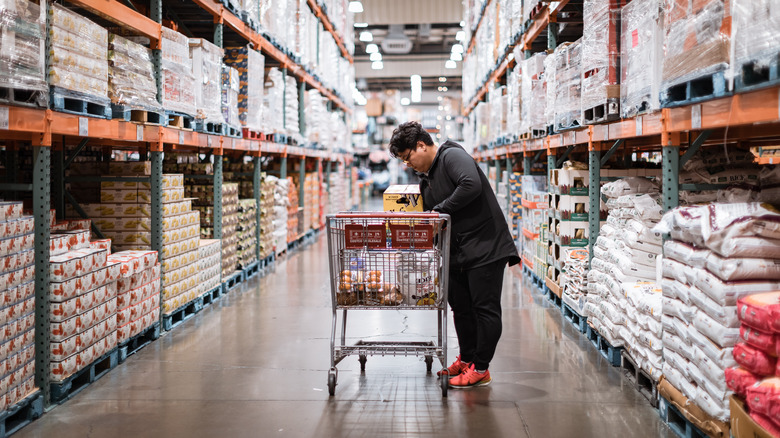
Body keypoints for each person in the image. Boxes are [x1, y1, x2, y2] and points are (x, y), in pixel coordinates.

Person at [388, 121, 520, 388]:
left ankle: (481, 368)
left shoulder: (451, 156)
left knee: (484, 309)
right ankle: (467, 358)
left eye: (407, 157)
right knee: (461, 307)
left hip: (485, 247)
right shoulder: (426, 177)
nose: (407, 164)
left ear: (421, 145)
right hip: (458, 252)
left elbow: (471, 184)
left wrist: (439, 211)